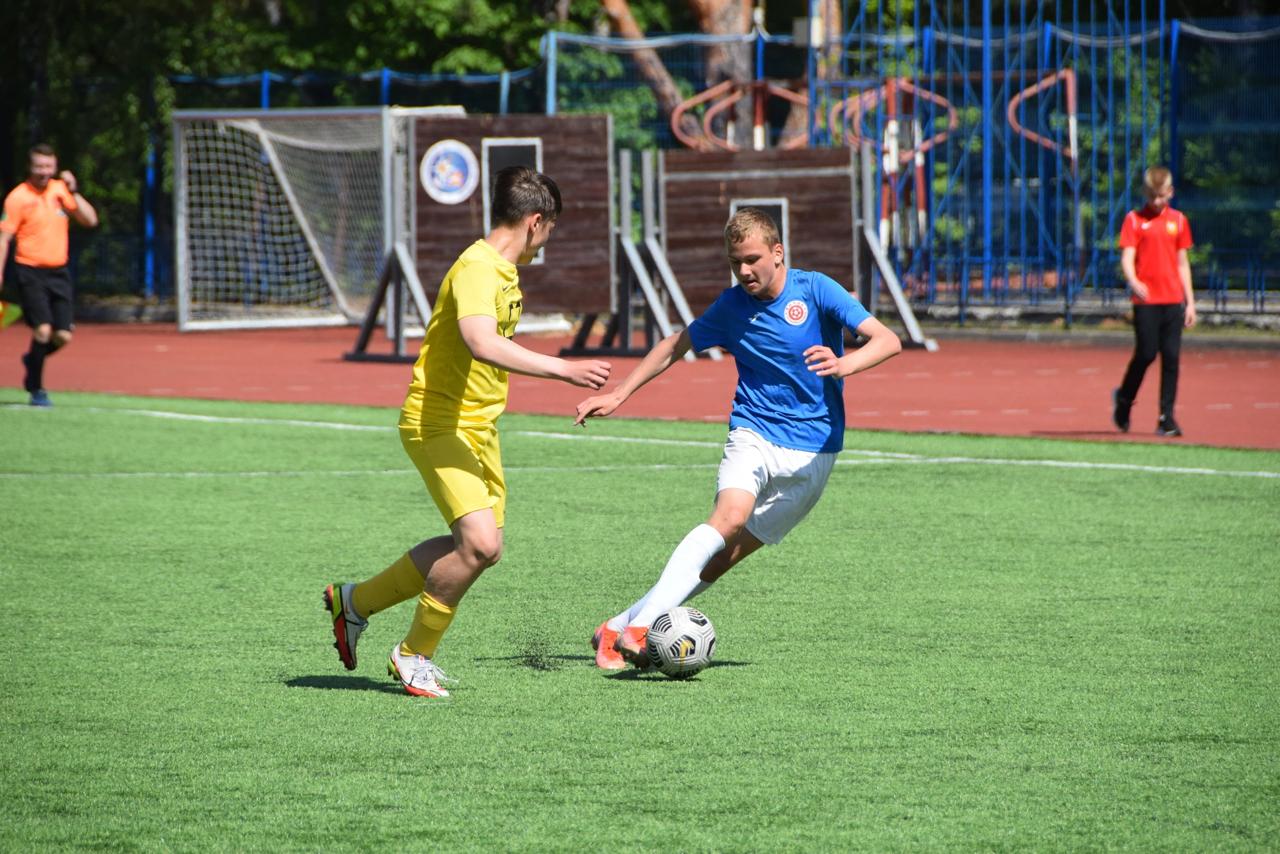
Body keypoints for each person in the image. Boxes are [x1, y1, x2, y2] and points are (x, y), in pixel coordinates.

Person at [323, 166, 611, 697]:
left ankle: (355, 603)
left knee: (480, 547)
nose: (545, 242)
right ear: (535, 221)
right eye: (549, 231)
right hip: (439, 423)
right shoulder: (479, 269)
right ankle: (412, 656)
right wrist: (565, 368)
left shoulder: (503, 271)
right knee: (479, 545)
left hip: (478, 427)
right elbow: (481, 341)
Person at [575, 207, 902, 670]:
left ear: (777, 252)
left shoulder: (815, 289)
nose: (744, 271)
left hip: (814, 452)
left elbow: (887, 340)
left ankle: (616, 626)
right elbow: (676, 345)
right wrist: (620, 393)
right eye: (735, 263)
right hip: (754, 430)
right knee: (728, 517)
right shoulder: (731, 306)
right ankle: (643, 626)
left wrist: (844, 363)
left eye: (751, 259)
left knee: (721, 559)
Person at [0, 143, 99, 406]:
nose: (43, 171)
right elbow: (4, 238)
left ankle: (33, 359)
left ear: (54, 166)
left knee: (63, 335)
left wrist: (75, 192)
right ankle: (37, 388)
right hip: (29, 270)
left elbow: (90, 220)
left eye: (48, 166)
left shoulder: (60, 191)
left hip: (59, 272)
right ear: (30, 167)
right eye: (38, 166)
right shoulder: (18, 197)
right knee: (43, 330)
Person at [1112, 166, 1197, 437]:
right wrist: (1133, 280)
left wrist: (1190, 302)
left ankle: (1166, 417)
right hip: (1146, 301)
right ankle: (1124, 399)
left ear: (1170, 193)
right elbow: (1127, 255)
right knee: (1147, 353)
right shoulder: (1134, 220)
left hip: (1172, 299)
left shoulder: (1179, 221)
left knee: (1171, 357)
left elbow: (1183, 263)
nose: (1157, 201)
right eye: (1152, 196)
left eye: (1161, 196)